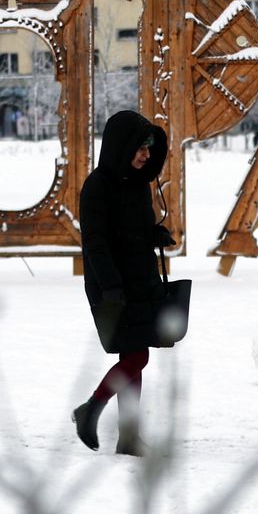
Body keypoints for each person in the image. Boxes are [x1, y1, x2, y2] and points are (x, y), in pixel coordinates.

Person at [72, 109, 174, 456]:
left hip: (141, 281)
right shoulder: (97, 187)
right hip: (112, 286)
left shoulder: (139, 185)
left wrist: (153, 234)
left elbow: (136, 230)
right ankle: (91, 409)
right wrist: (112, 288)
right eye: (139, 147)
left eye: (148, 148)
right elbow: (96, 243)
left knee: (136, 354)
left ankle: (128, 437)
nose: (146, 154)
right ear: (120, 146)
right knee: (137, 357)